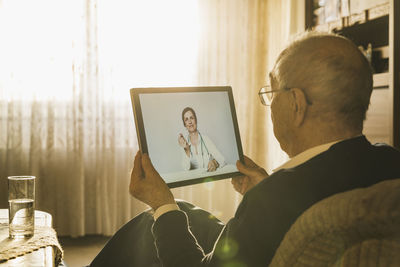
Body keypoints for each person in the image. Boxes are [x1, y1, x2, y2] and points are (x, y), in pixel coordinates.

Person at [91, 32, 400, 267]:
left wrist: (160, 202)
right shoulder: (390, 161)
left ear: (296, 104)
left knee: (157, 218)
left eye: (272, 91)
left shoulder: (272, 199)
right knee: (185, 211)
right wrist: (267, 189)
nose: (270, 104)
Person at [178, 107, 226, 171]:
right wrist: (187, 150)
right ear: (185, 124)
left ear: (196, 120)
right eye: (186, 119)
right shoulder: (184, 144)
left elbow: (222, 160)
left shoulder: (206, 139)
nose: (190, 122)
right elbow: (185, 168)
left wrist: (214, 162)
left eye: (191, 118)